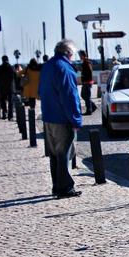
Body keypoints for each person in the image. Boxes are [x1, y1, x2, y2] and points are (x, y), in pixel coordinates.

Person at [39, 39, 83, 199]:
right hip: (62, 117)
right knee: (64, 152)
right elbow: (70, 97)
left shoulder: (47, 66)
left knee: (54, 154)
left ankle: (57, 185)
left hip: (48, 116)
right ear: (69, 53)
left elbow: (40, 91)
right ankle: (65, 188)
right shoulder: (65, 68)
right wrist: (76, 120)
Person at [0, 55, 15, 120]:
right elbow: (14, 76)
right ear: (8, 59)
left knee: (3, 101)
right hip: (10, 87)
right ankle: (10, 116)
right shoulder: (11, 67)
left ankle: (4, 113)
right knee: (10, 102)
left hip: (2, 86)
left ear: (2, 60)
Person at [79, 50, 97, 115]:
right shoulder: (85, 62)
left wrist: (87, 80)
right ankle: (93, 106)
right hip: (86, 82)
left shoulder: (86, 62)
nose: (79, 56)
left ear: (83, 55)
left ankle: (89, 110)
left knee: (86, 96)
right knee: (83, 95)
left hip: (87, 82)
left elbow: (89, 72)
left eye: (80, 55)